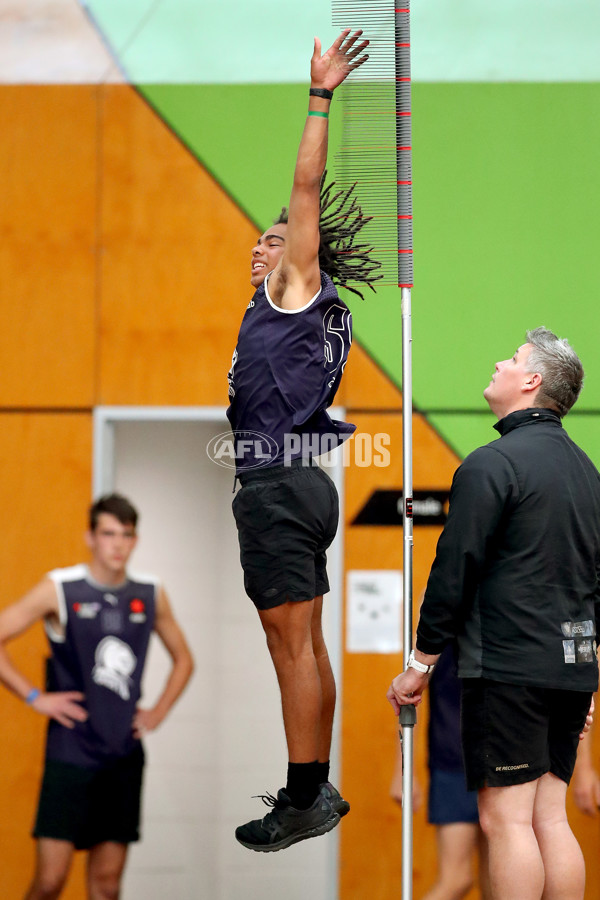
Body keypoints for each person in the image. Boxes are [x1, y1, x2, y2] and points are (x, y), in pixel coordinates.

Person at [226, 29, 380, 852]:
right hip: (302, 482)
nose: (263, 244)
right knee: (304, 644)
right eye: (259, 239)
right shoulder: (294, 318)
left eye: (276, 238)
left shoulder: (294, 290)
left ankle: (303, 797)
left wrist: (320, 95)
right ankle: (311, 787)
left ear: (303, 256)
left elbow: (305, 185)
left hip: (280, 485)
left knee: (290, 649)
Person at [387, 327, 600, 900]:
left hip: (509, 670)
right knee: (549, 819)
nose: (498, 363)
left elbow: (453, 571)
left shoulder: (491, 465)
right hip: (569, 669)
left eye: (511, 358)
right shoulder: (588, 474)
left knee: (506, 821)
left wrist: (420, 663)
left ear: (531, 382)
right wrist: (587, 679)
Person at [0, 493, 194, 900]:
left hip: (122, 752)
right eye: (108, 534)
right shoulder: (61, 588)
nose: (117, 544)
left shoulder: (151, 592)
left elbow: (184, 661)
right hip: (70, 751)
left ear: (135, 540)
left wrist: (157, 712)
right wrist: (35, 696)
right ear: (90, 537)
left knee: (106, 886)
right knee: (51, 881)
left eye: (126, 534)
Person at [390, 644, 490, 900]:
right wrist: (403, 770)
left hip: (503, 762)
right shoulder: (439, 613)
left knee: (498, 883)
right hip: (454, 764)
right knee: (457, 879)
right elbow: (408, 693)